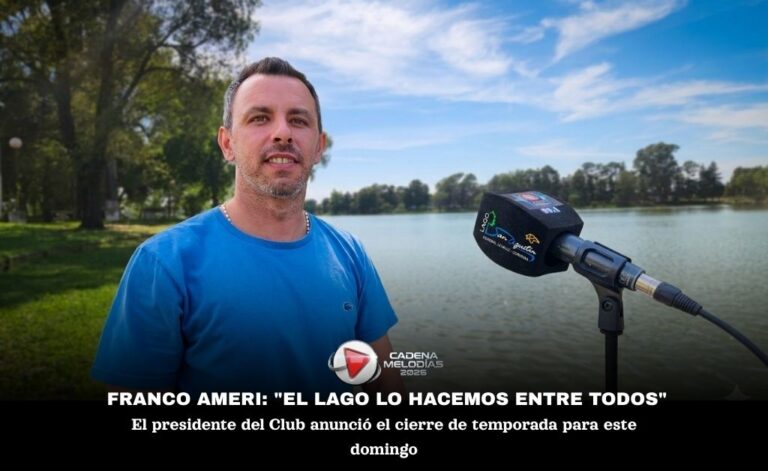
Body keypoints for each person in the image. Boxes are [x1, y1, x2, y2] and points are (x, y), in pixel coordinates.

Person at [92, 57, 403, 396]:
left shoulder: (350, 254)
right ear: (228, 144)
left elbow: (385, 384)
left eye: (298, 120)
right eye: (259, 118)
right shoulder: (163, 263)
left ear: (318, 147)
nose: (283, 132)